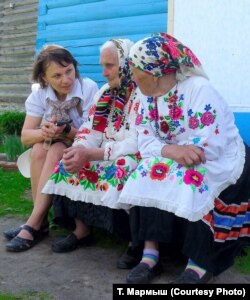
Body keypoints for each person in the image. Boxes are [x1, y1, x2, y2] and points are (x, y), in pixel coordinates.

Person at [118, 32, 250, 284]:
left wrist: (175, 152)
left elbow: (211, 143)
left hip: (218, 157)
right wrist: (170, 151)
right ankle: (150, 255)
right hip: (176, 155)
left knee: (191, 177)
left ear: (154, 72)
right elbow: (145, 139)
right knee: (146, 172)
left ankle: (199, 262)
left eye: (135, 70)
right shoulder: (146, 97)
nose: (132, 76)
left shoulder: (199, 90)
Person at [42, 39, 143, 266]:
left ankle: (134, 241)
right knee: (69, 160)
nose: (104, 73)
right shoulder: (105, 93)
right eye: (102, 66)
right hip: (102, 151)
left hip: (127, 154)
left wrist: (95, 154)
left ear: (127, 64)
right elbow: (89, 129)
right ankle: (82, 230)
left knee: (124, 167)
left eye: (109, 65)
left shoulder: (142, 94)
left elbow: (136, 143)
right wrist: (79, 149)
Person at [4, 45, 98, 251]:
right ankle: (39, 221)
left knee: (55, 151)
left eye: (69, 71)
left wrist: (64, 129)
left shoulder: (88, 88)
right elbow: (26, 136)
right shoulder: (40, 94)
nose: (66, 79)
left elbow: (93, 132)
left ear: (74, 67)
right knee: (38, 149)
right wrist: (44, 132)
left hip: (87, 145)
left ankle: (34, 223)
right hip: (58, 141)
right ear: (45, 79)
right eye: (57, 75)